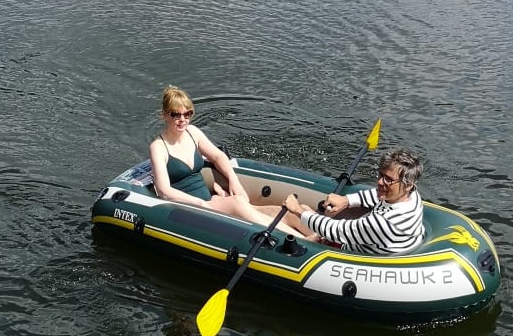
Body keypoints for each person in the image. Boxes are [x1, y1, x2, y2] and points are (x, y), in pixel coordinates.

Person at [149, 86, 316, 238]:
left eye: (187, 114)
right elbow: (164, 191)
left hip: (211, 202)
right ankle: (303, 241)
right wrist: (202, 203)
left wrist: (233, 180)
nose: (182, 119)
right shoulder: (158, 147)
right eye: (175, 114)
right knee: (237, 202)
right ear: (164, 115)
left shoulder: (193, 133)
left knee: (279, 212)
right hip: (192, 209)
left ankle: (320, 234)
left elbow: (218, 156)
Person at [283, 148, 425, 254]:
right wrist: (346, 200)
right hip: (366, 243)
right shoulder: (413, 197)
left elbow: (337, 230)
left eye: (389, 179)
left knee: (289, 214)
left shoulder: (385, 224)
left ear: (408, 185)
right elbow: (376, 194)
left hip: (346, 250)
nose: (380, 182)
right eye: (381, 175)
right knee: (306, 210)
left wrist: (298, 211)